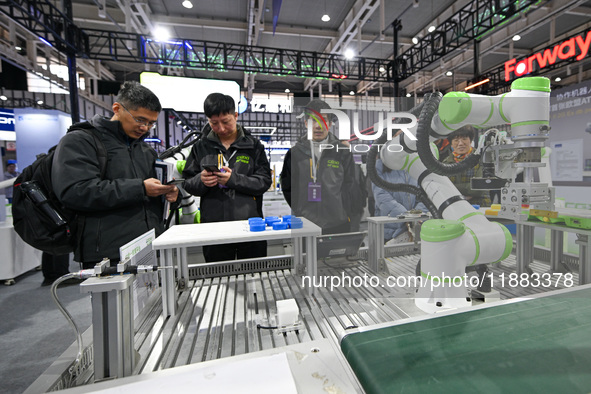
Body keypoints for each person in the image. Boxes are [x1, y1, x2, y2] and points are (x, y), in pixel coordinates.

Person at [52, 81, 178, 269]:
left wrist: (171, 194)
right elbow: (75, 191)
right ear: (117, 108)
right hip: (107, 255)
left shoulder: (145, 150)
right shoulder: (81, 141)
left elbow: (153, 195)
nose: (145, 128)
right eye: (140, 120)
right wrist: (140, 188)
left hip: (148, 247)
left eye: (151, 123)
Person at [183, 93, 272, 262]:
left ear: (236, 115)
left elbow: (264, 181)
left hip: (250, 226)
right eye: (214, 123)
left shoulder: (253, 146)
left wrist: (233, 180)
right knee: (218, 278)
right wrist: (200, 181)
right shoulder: (201, 147)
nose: (221, 128)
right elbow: (188, 182)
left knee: (254, 276)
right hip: (214, 229)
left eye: (226, 122)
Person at [280, 99, 357, 235]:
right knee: (305, 257)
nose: (317, 126)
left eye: (323, 120)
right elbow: (288, 186)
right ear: (305, 123)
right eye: (312, 120)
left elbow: (351, 186)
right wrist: (299, 210)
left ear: (330, 123)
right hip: (305, 224)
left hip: (338, 224)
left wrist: (345, 211)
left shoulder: (342, 152)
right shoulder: (295, 153)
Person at [372, 159, 427, 243]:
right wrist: (406, 217)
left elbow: (423, 195)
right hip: (390, 229)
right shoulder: (379, 166)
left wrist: (416, 215)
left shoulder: (414, 163)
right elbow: (382, 196)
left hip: (414, 228)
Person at [442, 126, 491, 207]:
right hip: (456, 207)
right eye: (456, 140)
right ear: (451, 143)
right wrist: (468, 189)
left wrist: (453, 188)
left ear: (470, 140)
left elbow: (479, 189)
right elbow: (444, 189)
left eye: (464, 139)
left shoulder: (481, 159)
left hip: (480, 206)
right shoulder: (446, 163)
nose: (460, 143)